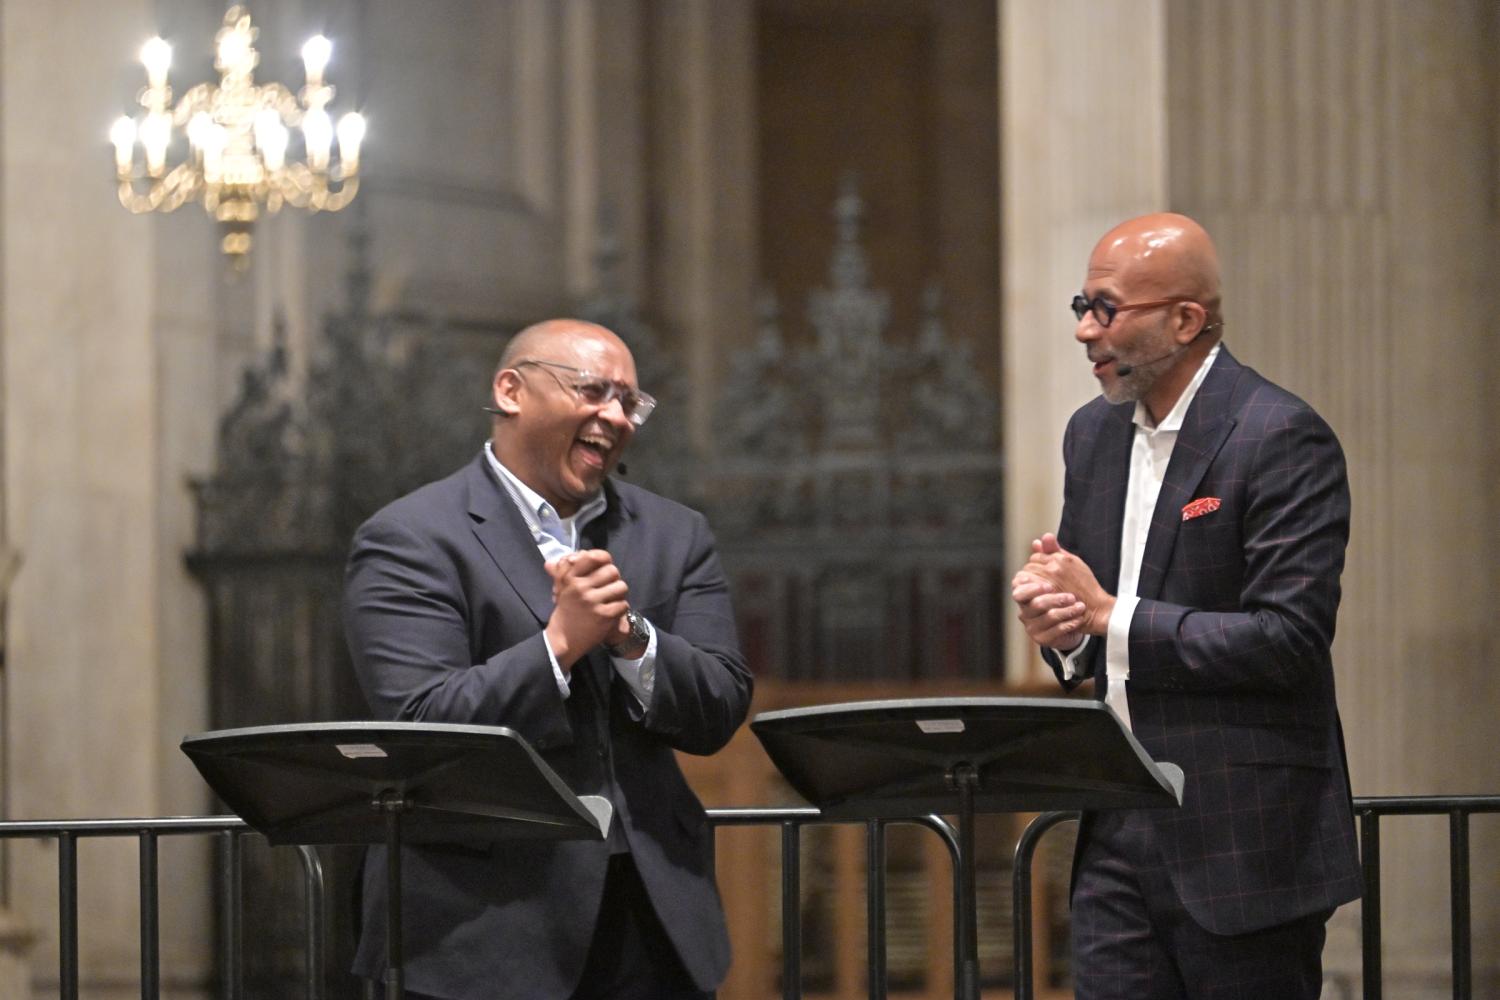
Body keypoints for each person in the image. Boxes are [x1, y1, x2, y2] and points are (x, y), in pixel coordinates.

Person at [343, 318, 753, 1000]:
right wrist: (558, 645)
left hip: (652, 922)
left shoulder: (676, 533)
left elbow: (719, 704)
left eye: (630, 402)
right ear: (511, 390)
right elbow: (419, 723)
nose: (615, 416)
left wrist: (630, 638)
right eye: (593, 390)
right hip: (482, 927)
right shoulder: (411, 537)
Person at [1010, 213, 1361, 998]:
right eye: (1080, 307)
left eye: (1106, 309)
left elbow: (1289, 640)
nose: (1084, 332)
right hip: (1117, 832)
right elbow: (1091, 633)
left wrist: (1107, 615)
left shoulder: (1278, 435)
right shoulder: (1091, 438)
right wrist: (1061, 628)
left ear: (1184, 320)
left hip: (1246, 838)